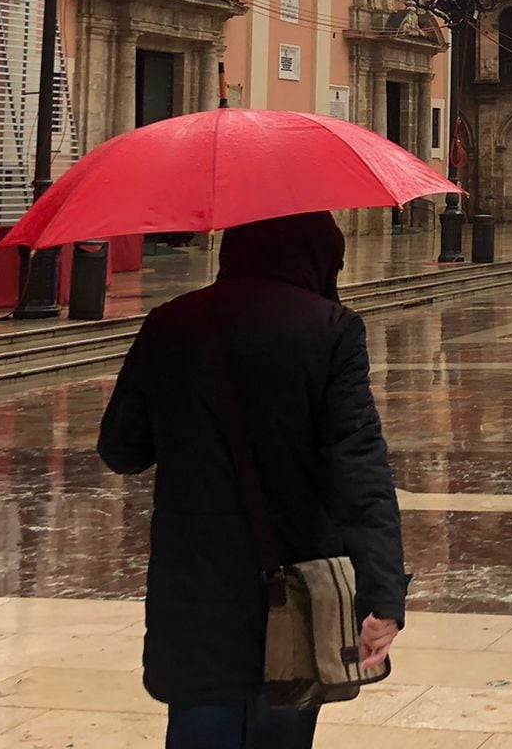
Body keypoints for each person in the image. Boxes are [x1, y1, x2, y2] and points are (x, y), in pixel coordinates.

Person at [99, 212, 407, 749]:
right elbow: (359, 469)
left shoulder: (170, 323)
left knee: (201, 725)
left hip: (196, 587)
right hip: (297, 588)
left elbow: (121, 450)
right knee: (281, 729)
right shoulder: (330, 330)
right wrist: (382, 590)